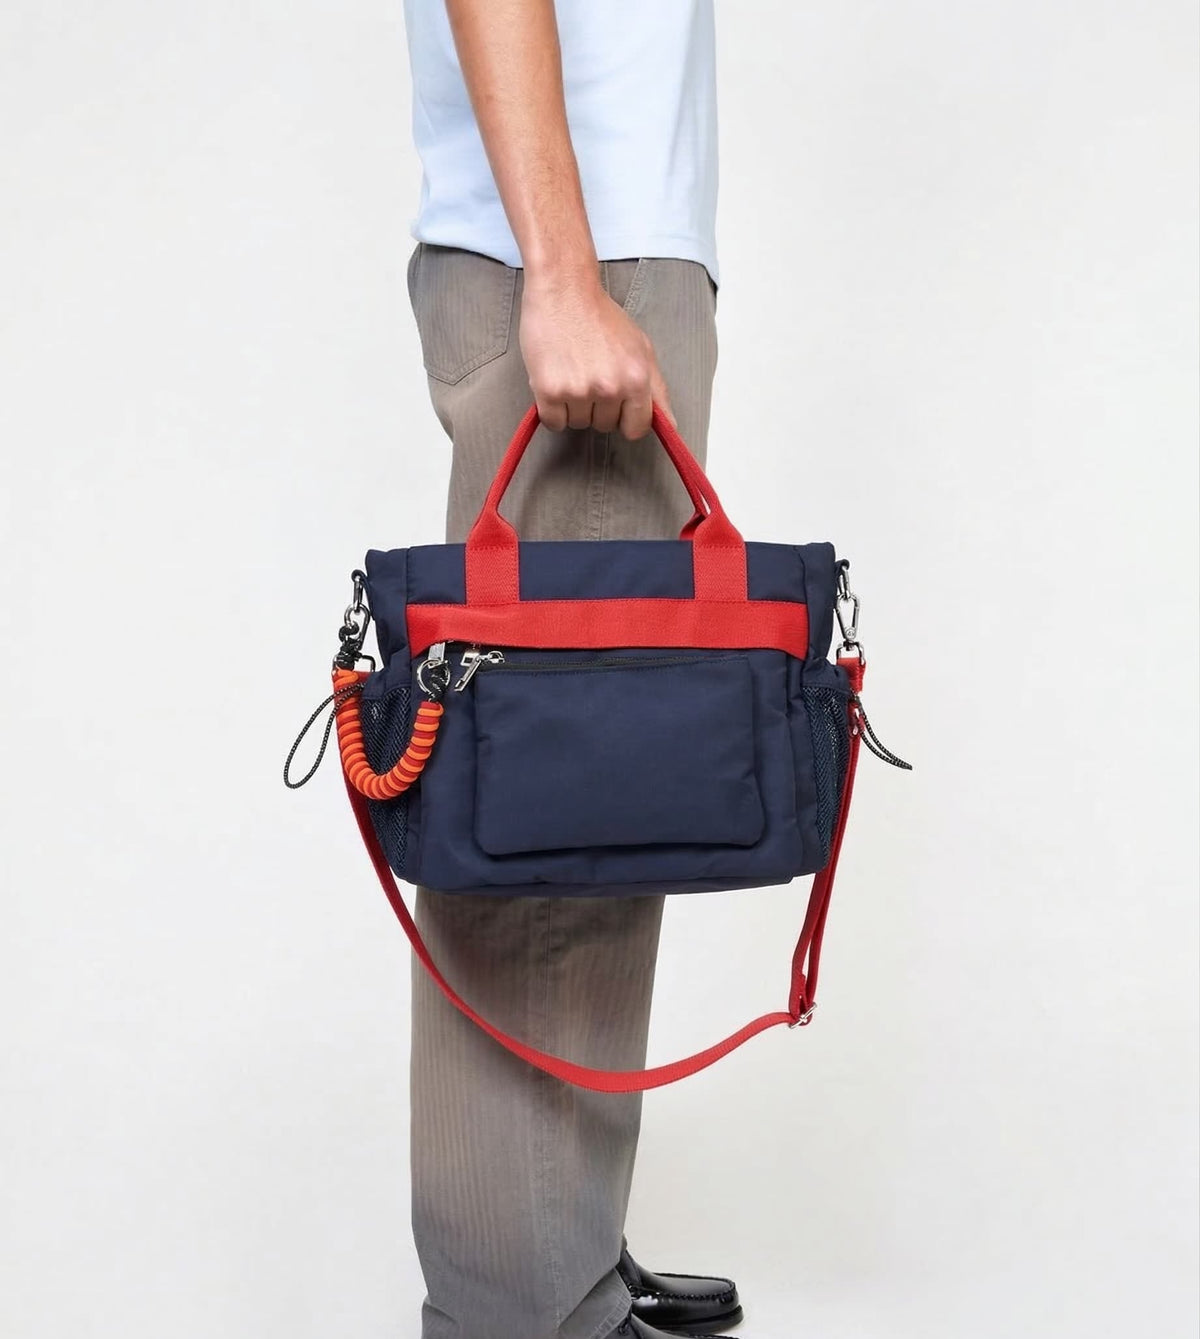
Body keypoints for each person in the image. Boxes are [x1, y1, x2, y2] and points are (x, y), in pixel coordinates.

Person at [402, 3, 744, 1335]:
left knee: (585, 825)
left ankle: (563, 1255)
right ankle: (526, 1308)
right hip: (576, 259)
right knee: (557, 836)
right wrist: (562, 272)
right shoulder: (571, 270)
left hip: (593, 247)